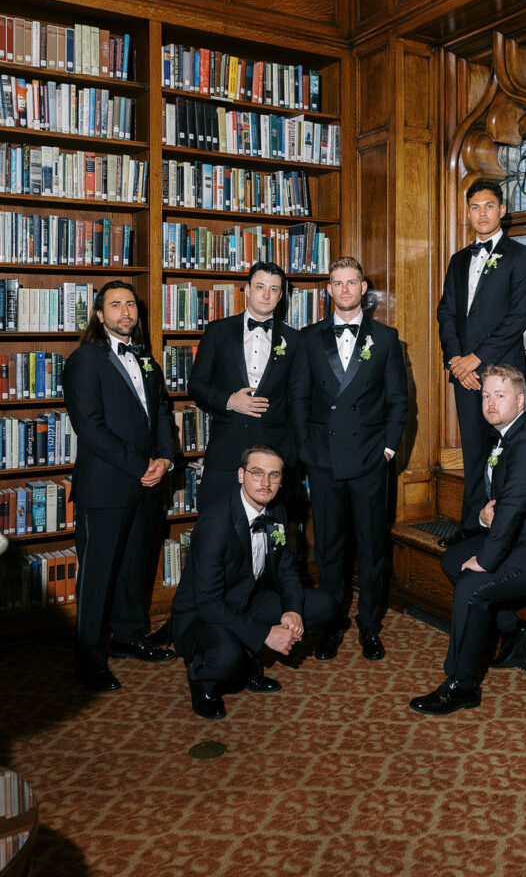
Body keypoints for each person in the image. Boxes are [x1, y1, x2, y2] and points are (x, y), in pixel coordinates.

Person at [409, 365, 526, 715]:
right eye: (486, 395)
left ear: (520, 400)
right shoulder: (507, 437)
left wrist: (486, 559)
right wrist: (485, 519)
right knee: (451, 559)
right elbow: (497, 507)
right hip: (518, 540)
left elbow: (513, 508)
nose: (490, 403)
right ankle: (512, 628)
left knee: (472, 584)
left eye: (499, 396)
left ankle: (461, 684)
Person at [62, 280, 176, 692]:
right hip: (106, 487)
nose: (125, 311)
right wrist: (140, 463)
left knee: (134, 569)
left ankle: (129, 638)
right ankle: (89, 657)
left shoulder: (148, 361)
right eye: (115, 305)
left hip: (148, 485)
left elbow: (162, 413)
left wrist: (163, 459)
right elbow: (90, 428)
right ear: (99, 315)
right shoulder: (84, 361)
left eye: (130, 304)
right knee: (97, 575)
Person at [294, 256, 409, 662]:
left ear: (364, 288)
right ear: (328, 290)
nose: (344, 290)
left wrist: (388, 450)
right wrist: (308, 453)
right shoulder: (308, 338)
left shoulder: (387, 338)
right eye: (337, 283)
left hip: (369, 461)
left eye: (352, 282)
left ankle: (369, 626)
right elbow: (299, 400)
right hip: (324, 462)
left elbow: (399, 402)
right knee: (328, 549)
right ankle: (331, 623)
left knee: (373, 549)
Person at [171, 444, 335, 719]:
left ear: (282, 481)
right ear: (240, 475)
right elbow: (209, 604)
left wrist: (292, 609)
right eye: (257, 473)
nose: (265, 483)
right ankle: (202, 679)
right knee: (226, 655)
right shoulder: (214, 524)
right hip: (203, 614)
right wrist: (265, 634)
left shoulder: (276, 513)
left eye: (274, 475)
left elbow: (285, 568)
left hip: (247, 598)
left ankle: (247, 656)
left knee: (324, 605)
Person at [436, 179, 526, 547]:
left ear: (502, 210)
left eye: (489, 206)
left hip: (503, 372)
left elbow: (518, 317)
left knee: (508, 451)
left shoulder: (521, 256)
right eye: (475, 207)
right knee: (474, 451)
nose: (482, 213)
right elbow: (446, 314)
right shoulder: (459, 259)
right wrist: (455, 363)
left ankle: (510, 528)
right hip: (464, 375)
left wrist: (476, 361)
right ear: (468, 212)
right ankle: (472, 527)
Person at [188, 261, 306, 513]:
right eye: (260, 287)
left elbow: (298, 400)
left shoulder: (295, 340)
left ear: (281, 295)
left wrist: (292, 456)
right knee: (214, 531)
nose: (266, 295)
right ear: (247, 290)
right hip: (225, 451)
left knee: (269, 539)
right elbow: (196, 386)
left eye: (274, 289)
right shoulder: (218, 331)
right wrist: (229, 401)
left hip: (273, 458)